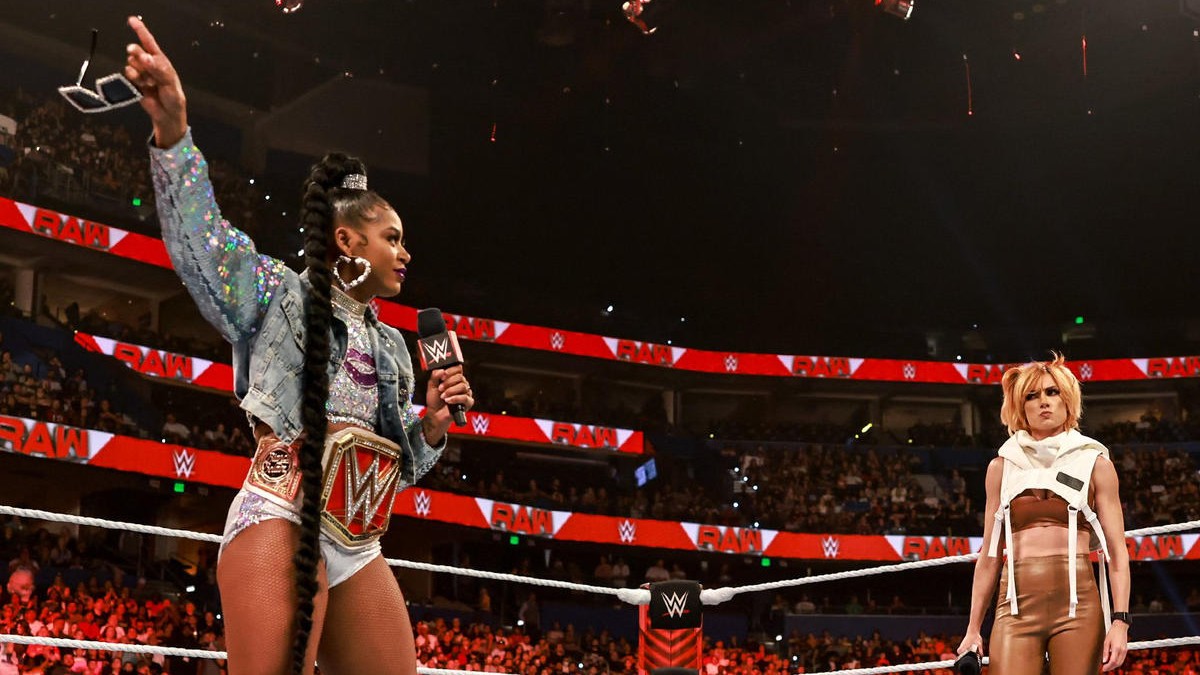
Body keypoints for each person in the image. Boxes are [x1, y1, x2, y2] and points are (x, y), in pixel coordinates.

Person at [123, 16, 473, 675]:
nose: (405, 251)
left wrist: (430, 424)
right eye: (391, 237)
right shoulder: (280, 296)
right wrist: (173, 134)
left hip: (359, 535)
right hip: (281, 509)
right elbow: (205, 247)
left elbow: (401, 467)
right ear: (346, 242)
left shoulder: (397, 347)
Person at [957, 355, 1130, 675]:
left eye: (1052, 392)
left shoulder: (1096, 464)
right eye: (1032, 396)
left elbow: (1116, 551)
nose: (1043, 403)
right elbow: (990, 555)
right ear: (1019, 407)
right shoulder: (1001, 467)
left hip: (1079, 606)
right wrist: (972, 629)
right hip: (1015, 605)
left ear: (1068, 399)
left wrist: (1120, 621)